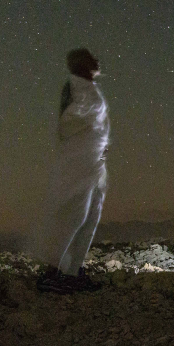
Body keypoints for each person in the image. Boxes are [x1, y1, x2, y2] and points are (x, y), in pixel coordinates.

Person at [37, 48, 110, 293]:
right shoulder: (75, 85)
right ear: (81, 64)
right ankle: (51, 272)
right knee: (74, 214)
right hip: (80, 161)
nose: (98, 60)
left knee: (90, 217)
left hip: (93, 162)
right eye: (92, 57)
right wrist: (92, 139)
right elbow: (67, 122)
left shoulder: (88, 87)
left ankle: (72, 272)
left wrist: (100, 145)